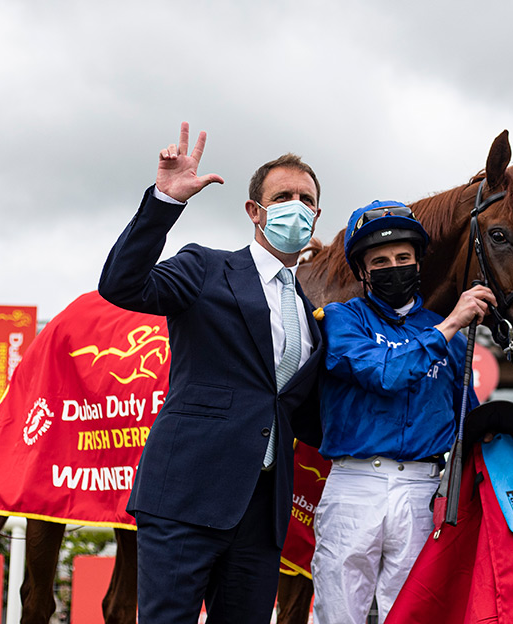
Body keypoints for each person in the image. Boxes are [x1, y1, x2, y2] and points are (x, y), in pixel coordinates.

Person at [98, 123, 325, 624]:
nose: (296, 205)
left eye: (305, 198)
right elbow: (120, 285)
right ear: (254, 211)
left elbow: (309, 418)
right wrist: (165, 202)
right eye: (282, 195)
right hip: (185, 498)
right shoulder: (205, 267)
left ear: (316, 214)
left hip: (263, 513)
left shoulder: (312, 318)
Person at [310, 201, 495, 624]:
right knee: (339, 615)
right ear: (362, 271)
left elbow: (470, 421)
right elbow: (382, 373)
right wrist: (449, 326)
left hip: (423, 491)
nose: (393, 267)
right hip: (354, 484)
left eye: (403, 258)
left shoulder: (447, 333)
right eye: (380, 261)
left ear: (418, 262)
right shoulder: (340, 319)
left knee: (414, 615)